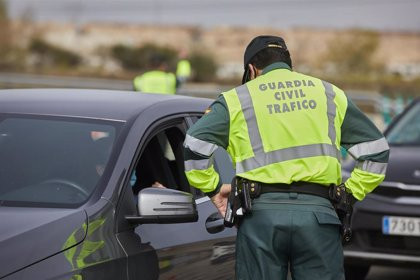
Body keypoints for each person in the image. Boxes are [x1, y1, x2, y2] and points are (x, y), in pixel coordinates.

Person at [183, 35, 389, 279]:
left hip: (260, 217)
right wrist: (350, 193)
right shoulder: (329, 94)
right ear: (289, 65)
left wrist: (213, 188)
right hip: (319, 216)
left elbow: (194, 146)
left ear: (252, 69)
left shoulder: (236, 99)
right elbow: (376, 151)